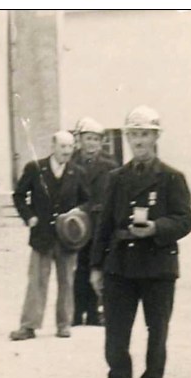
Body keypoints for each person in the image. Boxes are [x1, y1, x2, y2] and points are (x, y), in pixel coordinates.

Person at [89, 106, 191, 378]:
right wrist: (96, 266)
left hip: (158, 264)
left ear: (156, 137)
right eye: (134, 134)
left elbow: (185, 219)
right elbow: (104, 224)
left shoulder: (172, 178)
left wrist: (156, 228)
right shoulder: (116, 178)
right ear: (127, 138)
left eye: (145, 134)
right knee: (116, 328)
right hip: (120, 264)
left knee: (157, 328)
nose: (139, 141)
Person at [9, 130, 90, 341]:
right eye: (63, 146)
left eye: (71, 147)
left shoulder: (77, 172)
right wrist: (29, 217)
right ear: (53, 146)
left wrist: (77, 212)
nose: (67, 151)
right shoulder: (35, 168)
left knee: (67, 281)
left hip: (67, 236)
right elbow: (18, 195)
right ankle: (29, 326)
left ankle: (64, 324)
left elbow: (89, 201)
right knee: (37, 280)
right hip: (42, 235)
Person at [71, 117, 116, 327]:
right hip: (75, 224)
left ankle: (98, 312)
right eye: (88, 138)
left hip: (100, 222)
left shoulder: (109, 165)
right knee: (78, 268)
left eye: (96, 140)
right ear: (80, 140)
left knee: (99, 266)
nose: (91, 144)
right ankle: (77, 312)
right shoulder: (70, 162)